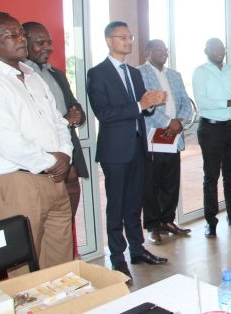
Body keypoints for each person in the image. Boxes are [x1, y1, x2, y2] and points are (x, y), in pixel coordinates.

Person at [87, 21, 168, 282]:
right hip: (115, 151)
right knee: (117, 206)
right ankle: (118, 258)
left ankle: (137, 250)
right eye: (122, 37)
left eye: (130, 36)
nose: (128, 41)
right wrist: (140, 104)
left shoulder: (134, 73)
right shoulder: (97, 73)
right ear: (108, 40)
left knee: (134, 204)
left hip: (137, 146)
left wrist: (153, 102)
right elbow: (104, 113)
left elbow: (143, 107)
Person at [0, 12, 73, 275]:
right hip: (20, 181)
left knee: (60, 265)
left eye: (21, 33)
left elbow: (58, 121)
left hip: (54, 179)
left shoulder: (34, 76)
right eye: (12, 34)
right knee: (22, 269)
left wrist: (65, 154)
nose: (21, 39)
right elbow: (8, 142)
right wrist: (53, 162)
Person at [24, 21, 89, 220]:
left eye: (49, 43)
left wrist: (77, 116)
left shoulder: (57, 75)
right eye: (40, 42)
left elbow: (74, 106)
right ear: (24, 43)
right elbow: (32, 120)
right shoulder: (21, 77)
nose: (48, 47)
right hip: (42, 164)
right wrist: (65, 119)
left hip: (69, 160)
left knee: (65, 224)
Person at [192, 38, 231, 239]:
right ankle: (211, 221)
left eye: (222, 48)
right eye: (214, 48)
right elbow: (202, 102)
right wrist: (229, 101)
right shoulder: (200, 72)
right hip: (211, 129)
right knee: (211, 177)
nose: (219, 51)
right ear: (206, 50)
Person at [138, 40, 193, 244]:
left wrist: (178, 122)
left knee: (171, 182)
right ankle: (153, 226)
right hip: (153, 137)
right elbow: (144, 107)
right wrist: (168, 123)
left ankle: (167, 220)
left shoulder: (175, 75)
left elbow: (186, 103)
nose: (164, 52)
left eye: (165, 49)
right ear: (147, 53)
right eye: (159, 49)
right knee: (151, 185)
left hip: (173, 138)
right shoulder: (139, 74)